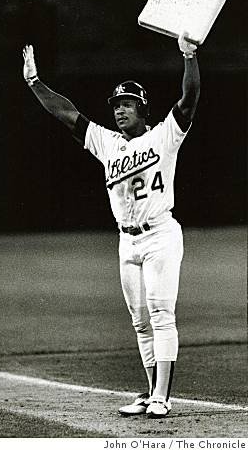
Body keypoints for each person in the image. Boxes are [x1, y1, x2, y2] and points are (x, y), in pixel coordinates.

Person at [22, 32, 200, 418]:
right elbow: (66, 114)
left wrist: (189, 57)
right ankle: (152, 390)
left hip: (160, 236)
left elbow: (189, 100)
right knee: (139, 321)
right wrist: (35, 83)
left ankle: (162, 397)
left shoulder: (164, 136)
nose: (119, 111)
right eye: (116, 105)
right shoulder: (107, 143)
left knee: (160, 313)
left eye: (127, 104)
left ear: (142, 108)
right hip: (127, 241)